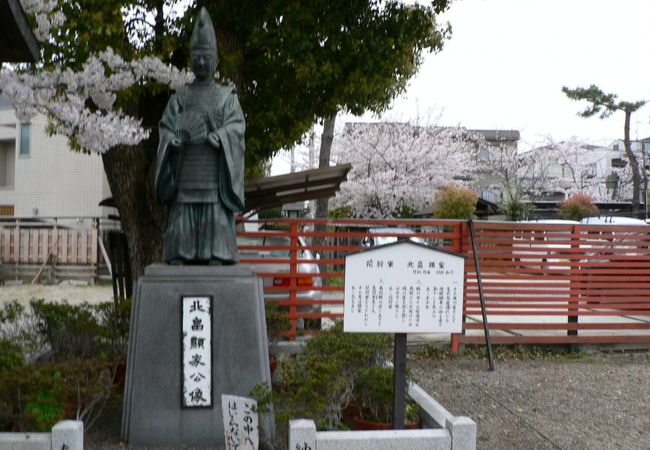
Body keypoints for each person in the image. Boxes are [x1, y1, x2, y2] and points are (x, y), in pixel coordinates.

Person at [154, 7, 245, 264]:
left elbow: (237, 127)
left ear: (216, 60)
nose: (202, 62)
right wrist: (171, 140)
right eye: (197, 57)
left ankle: (217, 253)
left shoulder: (227, 97)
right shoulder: (179, 97)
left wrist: (224, 136)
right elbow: (166, 127)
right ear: (191, 59)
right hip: (185, 172)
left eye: (207, 57)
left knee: (215, 213)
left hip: (213, 174)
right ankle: (180, 254)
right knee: (182, 214)